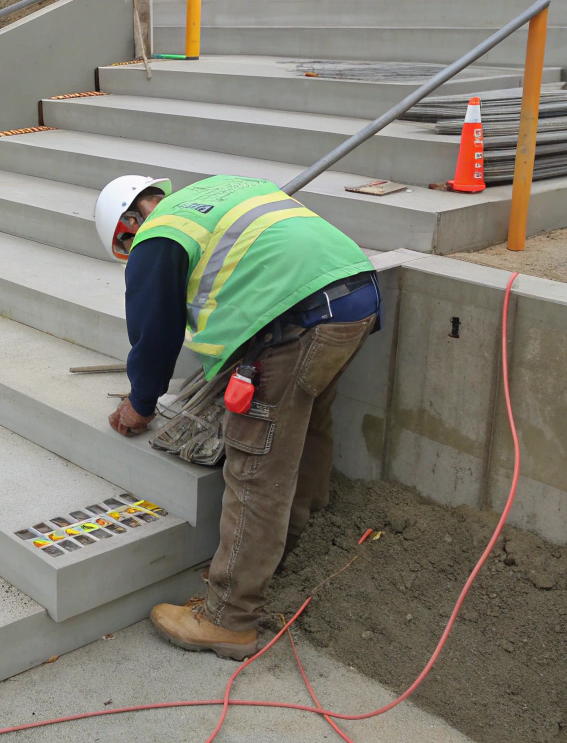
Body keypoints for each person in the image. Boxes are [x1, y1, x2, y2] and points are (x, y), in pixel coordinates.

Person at [94, 173, 381, 659]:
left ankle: (229, 618)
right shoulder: (219, 191)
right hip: (356, 298)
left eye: (126, 243)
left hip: (296, 322)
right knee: (309, 425)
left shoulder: (158, 235)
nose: (131, 249)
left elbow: (154, 332)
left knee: (255, 469)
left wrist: (141, 404)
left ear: (128, 223)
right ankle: (294, 542)